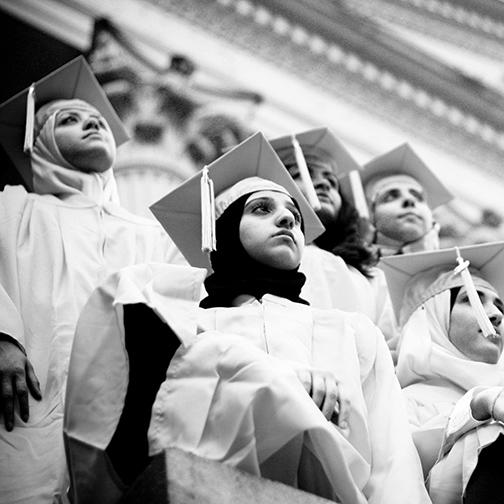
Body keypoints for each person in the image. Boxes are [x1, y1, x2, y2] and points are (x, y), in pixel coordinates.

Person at [64, 132, 430, 504]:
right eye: (261, 209)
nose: (287, 217)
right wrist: (271, 380)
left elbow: (392, 460)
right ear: (222, 230)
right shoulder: (183, 321)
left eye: (294, 216)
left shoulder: (352, 334)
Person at [0, 57, 182, 504]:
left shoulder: (148, 235)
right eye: (69, 120)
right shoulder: (13, 207)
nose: (90, 125)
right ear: (39, 143)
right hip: (30, 379)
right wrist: (2, 336)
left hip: (116, 399)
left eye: (98, 120)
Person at [381, 243, 504, 503]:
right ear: (433, 320)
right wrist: (477, 408)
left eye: (501, 308)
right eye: (471, 300)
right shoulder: (400, 399)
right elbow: (403, 477)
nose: (494, 315)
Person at [270, 128, 399, 353]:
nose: (324, 185)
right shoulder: (253, 256)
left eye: (331, 180)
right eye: (302, 173)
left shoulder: (369, 277)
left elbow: (387, 348)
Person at [361, 144, 452, 257]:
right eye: (389, 197)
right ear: (370, 216)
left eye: (418, 198)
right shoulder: (343, 268)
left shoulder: (458, 271)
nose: (409, 200)